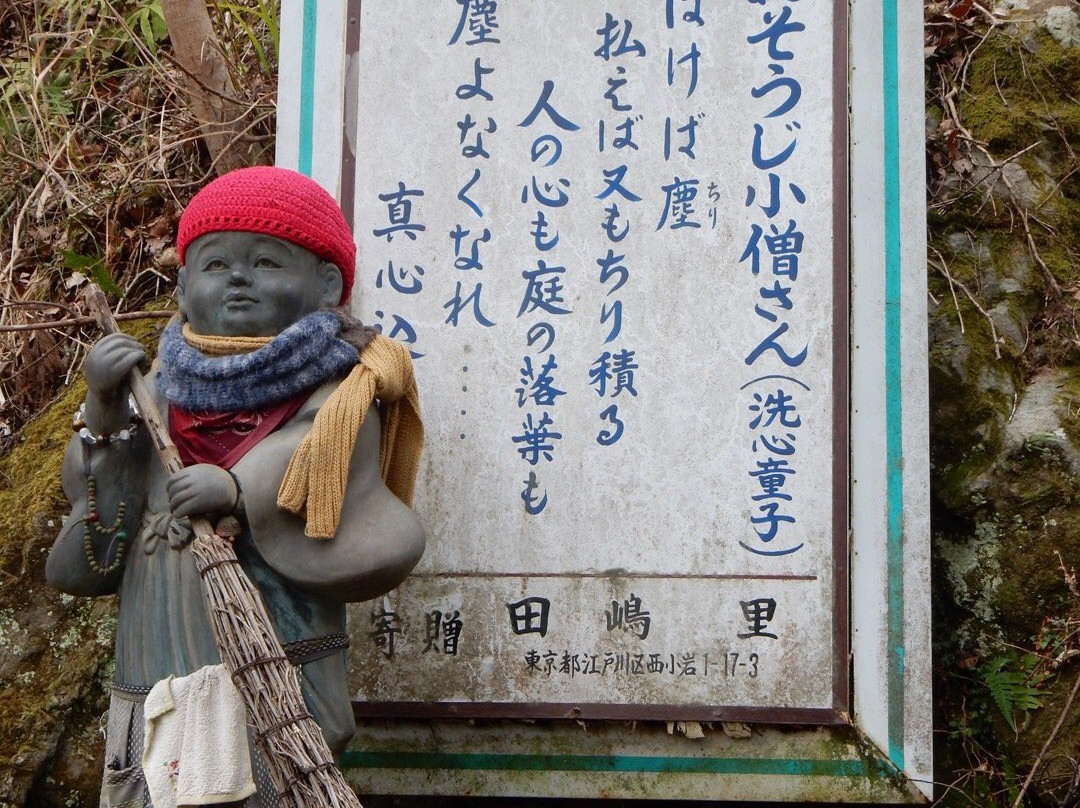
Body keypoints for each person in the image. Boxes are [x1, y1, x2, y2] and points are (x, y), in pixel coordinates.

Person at [46, 166, 426, 808]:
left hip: (274, 632)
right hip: (159, 621)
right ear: (182, 287)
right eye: (216, 264)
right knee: (154, 763)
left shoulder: (340, 389)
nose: (239, 278)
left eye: (267, 262)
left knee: (266, 773)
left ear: (327, 284)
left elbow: (327, 461)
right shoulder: (155, 386)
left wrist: (239, 488)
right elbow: (103, 500)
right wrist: (104, 413)